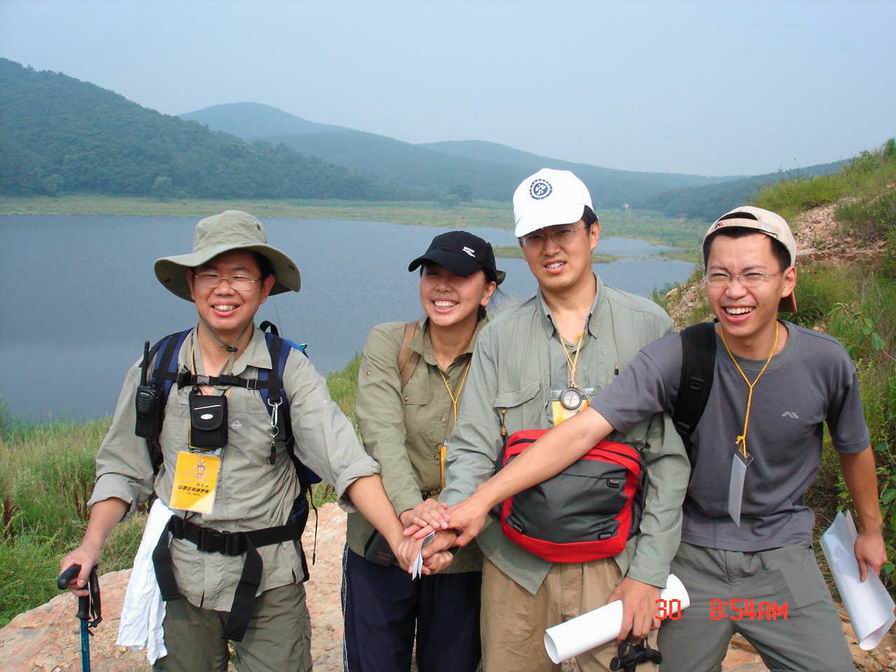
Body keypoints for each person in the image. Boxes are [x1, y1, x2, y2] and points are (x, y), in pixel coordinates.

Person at [445, 206, 888, 672]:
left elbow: (853, 447)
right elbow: (583, 431)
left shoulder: (825, 363)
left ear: (787, 279)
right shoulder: (678, 356)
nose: (734, 291)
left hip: (781, 558)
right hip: (692, 559)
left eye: (753, 274)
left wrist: (871, 531)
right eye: (719, 275)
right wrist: (479, 501)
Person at [60, 210, 415, 672]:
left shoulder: (288, 371)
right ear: (191, 284)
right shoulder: (158, 368)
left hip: (270, 577)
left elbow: (344, 460)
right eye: (210, 274)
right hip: (181, 575)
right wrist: (90, 547)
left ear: (265, 288)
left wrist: (398, 539)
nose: (224, 289)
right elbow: (123, 469)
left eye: (241, 275)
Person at [408, 169, 690, 672]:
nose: (550, 248)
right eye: (535, 237)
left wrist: (648, 572)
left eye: (563, 232)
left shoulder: (648, 325)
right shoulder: (499, 337)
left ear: (593, 232)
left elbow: (667, 462)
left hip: (616, 567)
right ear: (521, 246)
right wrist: (450, 519)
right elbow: (473, 447)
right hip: (516, 572)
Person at [342, 231, 504, 671]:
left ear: (488, 290)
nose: (442, 287)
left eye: (460, 277)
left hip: (466, 550)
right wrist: (413, 511)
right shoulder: (389, 342)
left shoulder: (503, 352)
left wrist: (445, 521)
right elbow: (382, 435)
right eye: (433, 274)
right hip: (382, 538)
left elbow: (500, 448)